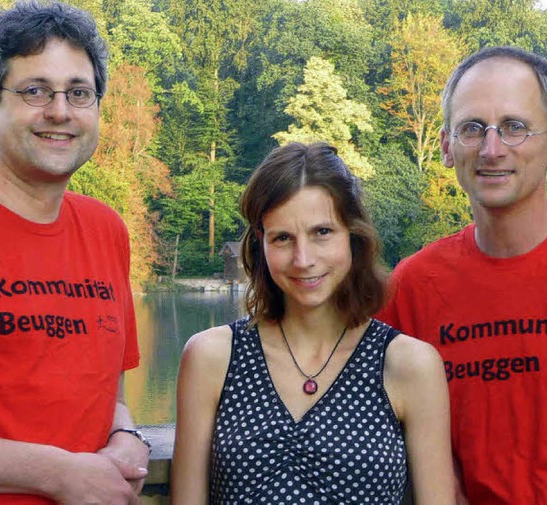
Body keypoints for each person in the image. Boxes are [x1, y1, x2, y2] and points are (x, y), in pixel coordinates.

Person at [171, 142, 455, 504]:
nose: (303, 260)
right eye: (283, 238)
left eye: (322, 232)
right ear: (261, 245)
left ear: (353, 236)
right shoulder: (211, 358)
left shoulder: (408, 364)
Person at [0, 1, 150, 503]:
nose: (60, 111)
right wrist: (56, 474)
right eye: (35, 90)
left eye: (79, 93)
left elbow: (108, 396)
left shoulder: (106, 230)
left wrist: (126, 434)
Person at [376, 46, 547, 505]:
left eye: (515, 127)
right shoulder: (411, 289)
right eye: (473, 128)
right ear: (448, 147)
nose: (492, 150)